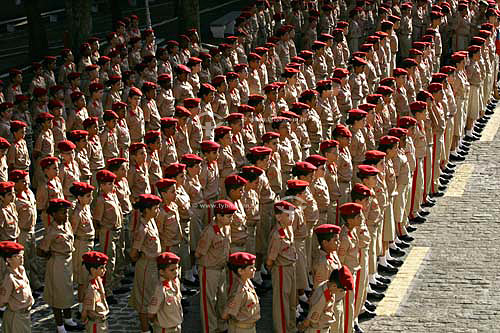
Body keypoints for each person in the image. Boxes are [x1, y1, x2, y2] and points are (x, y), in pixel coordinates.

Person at [37, 198, 83, 333]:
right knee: (57, 295)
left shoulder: (66, 224)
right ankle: (60, 326)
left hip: (67, 262)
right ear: (54, 214)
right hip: (57, 263)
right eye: (63, 212)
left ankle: (68, 319)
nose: (66, 215)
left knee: (67, 292)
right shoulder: (52, 231)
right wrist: (51, 256)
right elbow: (41, 250)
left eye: (66, 212)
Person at [195, 199, 234, 333]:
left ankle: (221, 326)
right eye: (229, 216)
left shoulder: (226, 228)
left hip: (221, 268)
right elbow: (199, 253)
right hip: (209, 269)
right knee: (209, 301)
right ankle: (210, 328)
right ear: (219, 216)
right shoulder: (209, 232)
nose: (231, 219)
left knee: (222, 299)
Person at [129, 194, 162, 333]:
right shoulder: (142, 229)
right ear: (147, 210)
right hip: (146, 266)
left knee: (152, 296)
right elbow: (133, 253)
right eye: (155, 208)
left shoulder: (151, 222)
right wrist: (141, 259)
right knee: (144, 300)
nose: (157, 211)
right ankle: (145, 330)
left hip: (154, 265)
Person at [266, 200, 297, 333]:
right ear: (278, 217)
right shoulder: (277, 235)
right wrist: (272, 269)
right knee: (281, 302)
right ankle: (282, 329)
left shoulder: (288, 229)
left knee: (291, 301)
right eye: (288, 215)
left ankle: (291, 326)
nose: (292, 218)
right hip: (281, 269)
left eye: (293, 215)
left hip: (290, 267)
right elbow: (270, 260)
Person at [299, 266, 355, 333]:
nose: (340, 293)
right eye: (340, 290)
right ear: (334, 286)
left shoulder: (327, 286)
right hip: (318, 329)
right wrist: (301, 328)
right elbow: (312, 316)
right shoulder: (324, 297)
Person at [69, 182, 95, 311]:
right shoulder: (77, 213)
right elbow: (72, 233)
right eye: (88, 196)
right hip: (81, 244)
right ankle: (80, 306)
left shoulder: (86, 208)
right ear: (79, 197)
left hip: (88, 243)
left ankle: (86, 302)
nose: (91, 199)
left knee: (88, 276)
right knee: (82, 277)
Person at [222, 252, 260, 332]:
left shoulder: (247, 282)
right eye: (251, 268)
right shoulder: (240, 292)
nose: (254, 269)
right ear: (240, 271)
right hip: (241, 329)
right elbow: (225, 315)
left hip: (250, 327)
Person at [0, 241, 34, 333]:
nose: (22, 258)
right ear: (8, 259)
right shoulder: (9, 278)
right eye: (17, 256)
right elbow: (2, 301)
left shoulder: (21, 270)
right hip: (16, 317)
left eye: (22, 255)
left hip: (25, 316)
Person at [148, 252, 183, 333]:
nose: (176, 272)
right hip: (165, 329)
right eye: (172, 270)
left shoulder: (175, 282)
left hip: (177, 326)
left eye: (177, 268)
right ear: (161, 272)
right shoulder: (160, 289)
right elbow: (151, 313)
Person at [81, 251, 110, 333]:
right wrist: (85, 321)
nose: (105, 270)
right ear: (93, 270)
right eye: (102, 267)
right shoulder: (92, 289)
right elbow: (85, 311)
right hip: (95, 324)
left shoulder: (98, 280)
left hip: (102, 322)